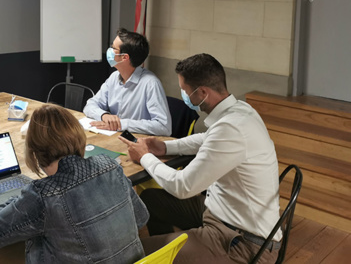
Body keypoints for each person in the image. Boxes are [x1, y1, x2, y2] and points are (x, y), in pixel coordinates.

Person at [120, 54, 281, 264]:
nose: (184, 96)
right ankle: (174, 255)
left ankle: (167, 256)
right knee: (151, 199)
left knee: (132, 254)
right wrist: (166, 146)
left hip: (242, 243)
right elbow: (207, 138)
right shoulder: (241, 111)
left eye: (185, 91)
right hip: (222, 214)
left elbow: (183, 186)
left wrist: (146, 157)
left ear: (203, 92)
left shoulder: (231, 129)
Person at [0, 104, 148, 263]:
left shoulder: (42, 196)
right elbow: (141, 218)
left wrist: (18, 199)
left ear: (34, 152)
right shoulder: (111, 166)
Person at [84, 28, 171, 135]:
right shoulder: (114, 77)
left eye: (113, 48)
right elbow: (90, 105)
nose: (109, 50)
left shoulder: (150, 83)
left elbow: (163, 127)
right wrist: (104, 115)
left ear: (124, 57)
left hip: (138, 142)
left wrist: (121, 124)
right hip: (114, 136)